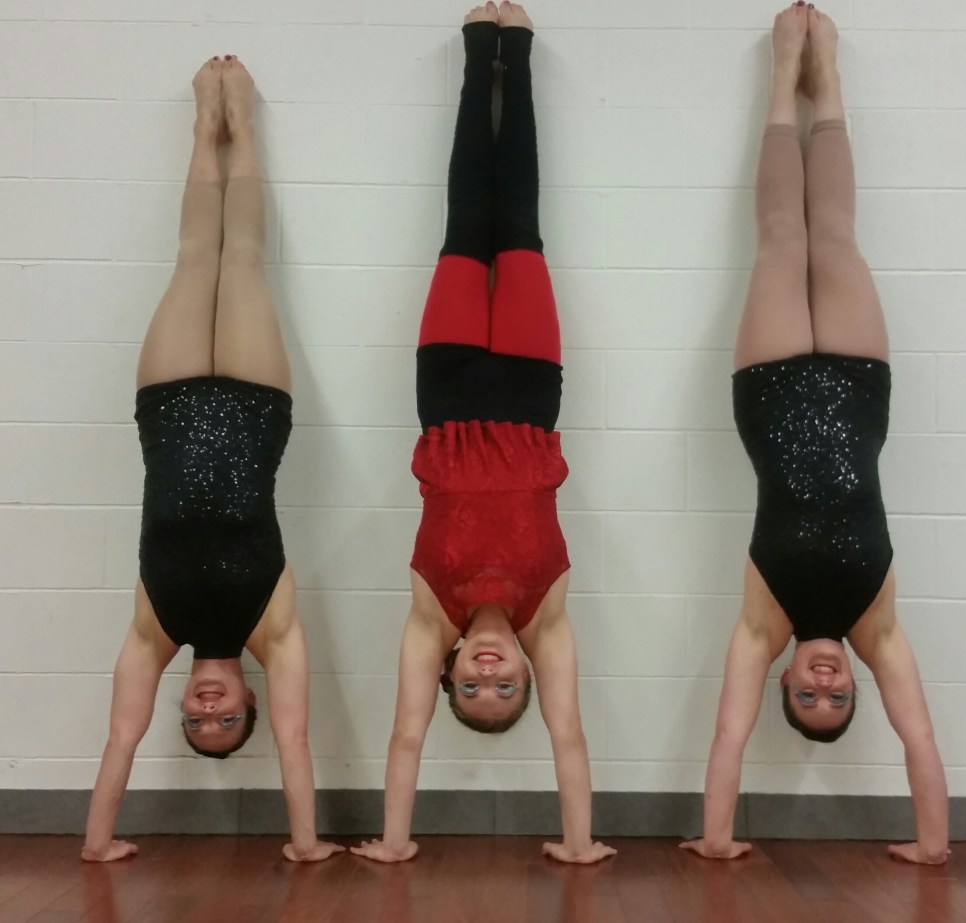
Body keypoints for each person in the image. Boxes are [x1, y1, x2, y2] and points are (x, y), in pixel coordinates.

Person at [680, 4, 949, 865]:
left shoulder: (763, 625)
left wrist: (716, 839)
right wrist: (934, 848)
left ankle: (779, 82)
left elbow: (727, 735)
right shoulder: (879, 630)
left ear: (785, 683)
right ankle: (824, 73)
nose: (825, 687)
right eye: (837, 700)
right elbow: (922, 743)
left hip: (769, 389)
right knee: (833, 232)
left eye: (808, 700)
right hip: (861, 389)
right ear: (854, 687)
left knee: (780, 236)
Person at [351, 2, 614, 865]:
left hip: (451, 391)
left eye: (474, 684)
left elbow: (403, 738)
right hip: (534, 395)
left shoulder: (432, 615)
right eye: (505, 687)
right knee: (523, 219)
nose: (491, 671)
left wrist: (395, 843)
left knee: (469, 218)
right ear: (529, 675)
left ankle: (479, 51)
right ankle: (521, 51)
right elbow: (569, 740)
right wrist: (578, 847)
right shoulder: (550, 618)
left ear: (451, 670)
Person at [81, 57, 341, 864]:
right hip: (258, 407)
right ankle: (245, 126)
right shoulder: (275, 628)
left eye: (196, 722)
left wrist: (95, 845)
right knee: (245, 257)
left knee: (197, 253)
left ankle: (206, 123)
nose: (206, 709)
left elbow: (121, 737)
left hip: (167, 405)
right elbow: (297, 742)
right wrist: (304, 843)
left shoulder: (152, 632)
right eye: (226, 720)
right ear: (248, 703)